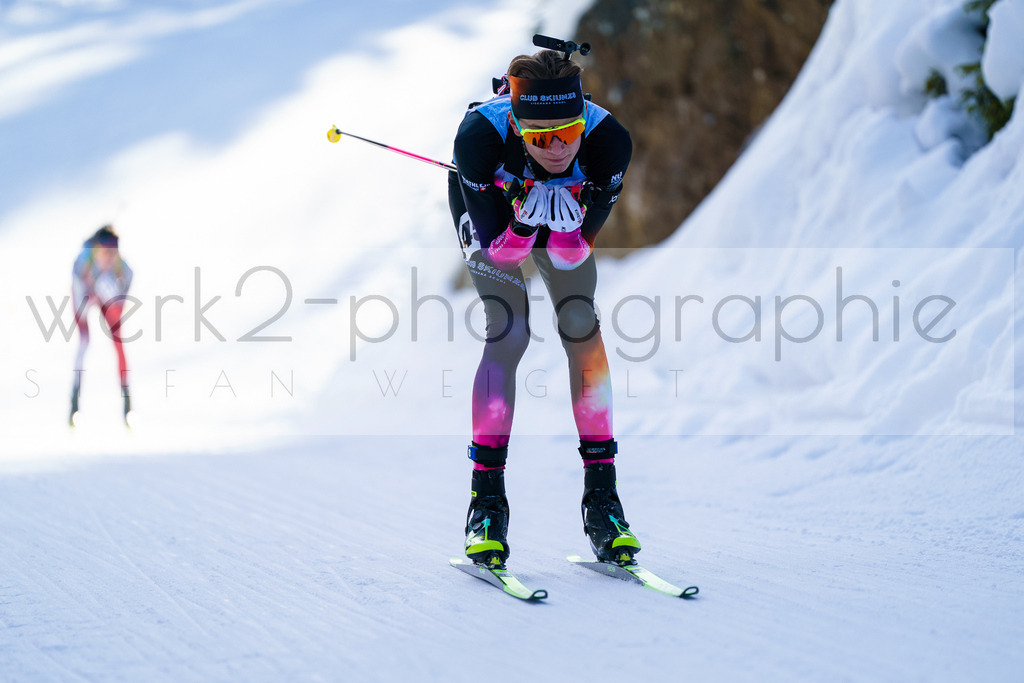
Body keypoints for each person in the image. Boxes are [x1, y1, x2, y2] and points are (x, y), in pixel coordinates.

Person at [448, 47, 639, 568]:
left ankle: (604, 502)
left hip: (558, 224)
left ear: (584, 117)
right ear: (516, 123)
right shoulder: (479, 139)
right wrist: (527, 221)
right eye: (537, 137)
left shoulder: (608, 143)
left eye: (567, 131)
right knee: (508, 332)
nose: (556, 148)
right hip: (495, 213)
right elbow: (502, 252)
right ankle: (485, 506)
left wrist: (565, 224)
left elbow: (573, 252)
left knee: (581, 325)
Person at [70, 225, 133, 426]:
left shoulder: (122, 267)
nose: (109, 257)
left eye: (113, 252)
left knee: (118, 343)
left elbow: (124, 291)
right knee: (84, 342)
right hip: (84, 294)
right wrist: (90, 292)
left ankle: (127, 404)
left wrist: (116, 303)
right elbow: (79, 302)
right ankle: (74, 401)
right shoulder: (82, 264)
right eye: (104, 252)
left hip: (105, 294)